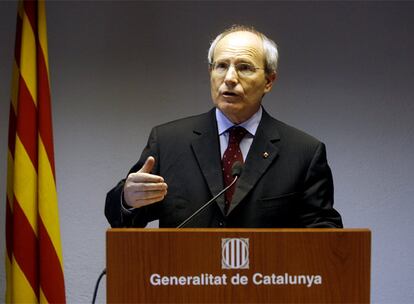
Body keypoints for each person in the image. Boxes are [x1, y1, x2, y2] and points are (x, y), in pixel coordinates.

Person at [105, 25, 343, 228]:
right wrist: (128, 198)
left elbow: (324, 233)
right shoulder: (168, 142)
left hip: (266, 279)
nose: (229, 77)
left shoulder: (303, 152)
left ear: (269, 81)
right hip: (187, 278)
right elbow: (120, 216)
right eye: (221, 66)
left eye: (244, 67)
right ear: (211, 73)